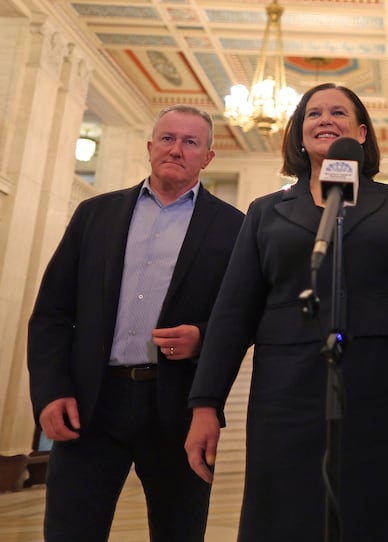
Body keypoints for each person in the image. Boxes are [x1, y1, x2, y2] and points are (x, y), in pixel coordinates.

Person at [184, 82, 388, 541]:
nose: (325, 120)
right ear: (298, 132)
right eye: (313, 114)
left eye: (338, 112)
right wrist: (206, 403)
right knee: (289, 512)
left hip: (383, 386)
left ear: (362, 133)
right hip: (286, 390)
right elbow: (234, 313)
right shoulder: (265, 211)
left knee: (382, 511)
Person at [27, 105, 244, 542]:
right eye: (167, 139)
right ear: (150, 147)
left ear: (208, 157)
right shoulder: (94, 215)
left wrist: (202, 338)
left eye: (190, 142)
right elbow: (52, 312)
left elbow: (242, 317)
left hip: (178, 410)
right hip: (90, 404)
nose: (176, 150)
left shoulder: (234, 228)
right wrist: (51, 391)